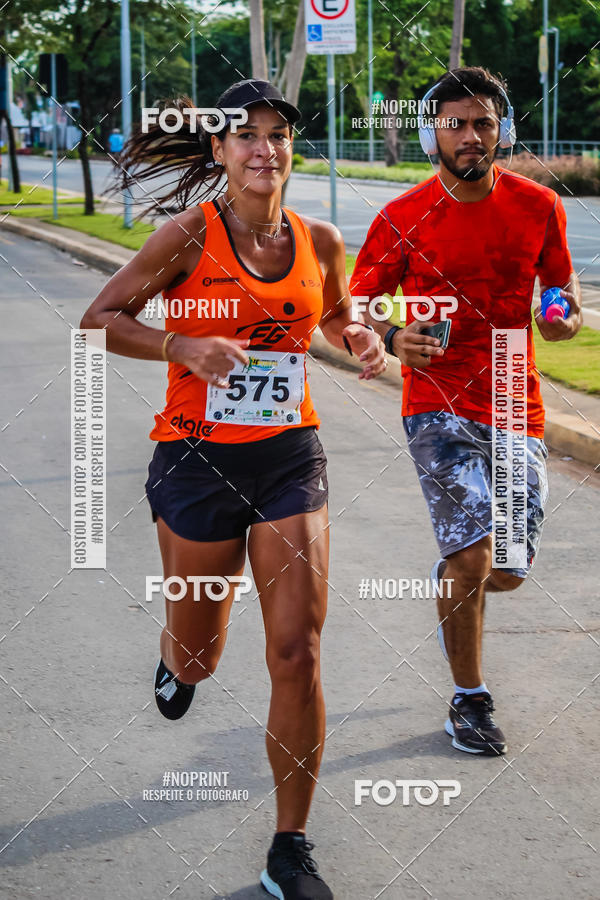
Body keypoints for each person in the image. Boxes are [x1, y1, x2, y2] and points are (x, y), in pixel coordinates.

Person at [81, 79, 385, 899]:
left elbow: (333, 311)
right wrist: (183, 345)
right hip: (195, 462)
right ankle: (175, 660)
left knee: (298, 650)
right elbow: (101, 318)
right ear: (218, 151)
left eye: (278, 135)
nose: (264, 149)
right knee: (202, 652)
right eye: (245, 136)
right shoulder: (187, 235)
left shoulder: (318, 237)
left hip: (291, 457)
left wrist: (353, 331)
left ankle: (290, 847)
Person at [350, 67, 582, 756]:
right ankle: (469, 700)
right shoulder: (403, 215)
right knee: (475, 553)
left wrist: (563, 317)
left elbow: (560, 296)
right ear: (432, 134)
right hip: (437, 404)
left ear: (502, 131)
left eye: (483, 122)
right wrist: (392, 338)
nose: (471, 135)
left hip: (516, 395)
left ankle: (459, 572)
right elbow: (354, 308)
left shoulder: (541, 206)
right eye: (455, 123)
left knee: (506, 567)